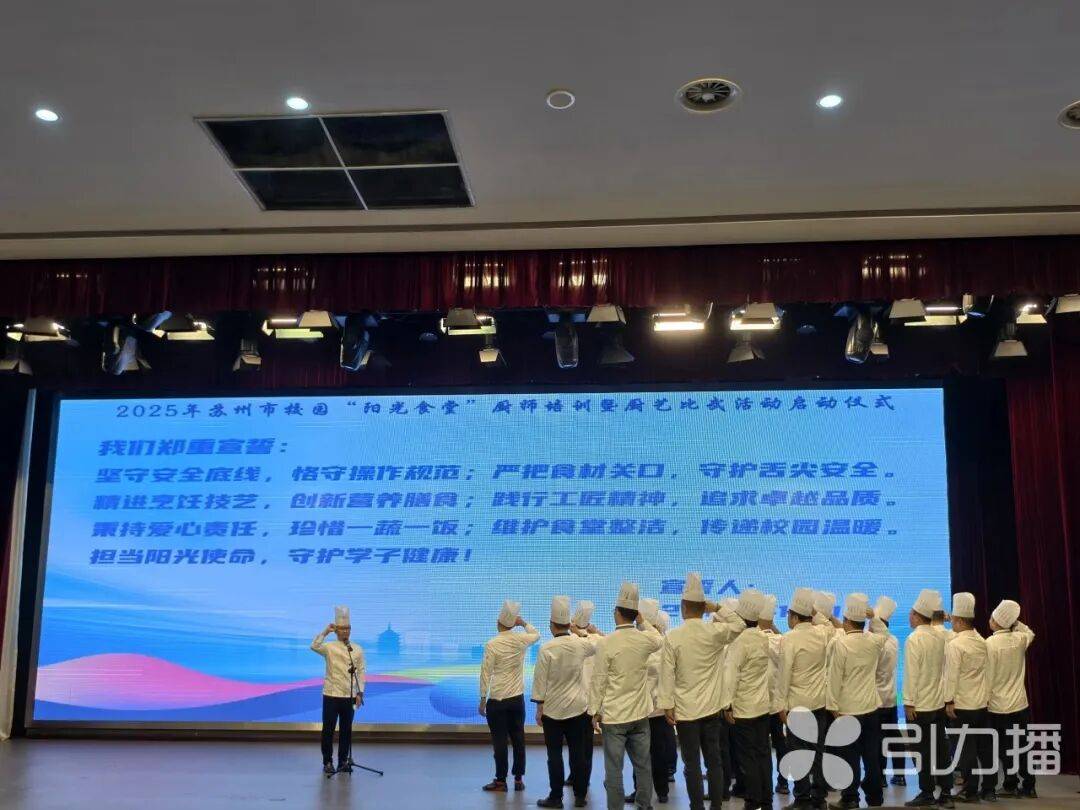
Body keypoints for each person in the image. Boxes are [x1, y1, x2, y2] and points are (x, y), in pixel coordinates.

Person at [659, 573, 746, 810]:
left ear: (683, 607)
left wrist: (667, 704)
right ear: (703, 607)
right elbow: (740, 624)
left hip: (686, 711)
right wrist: (717, 607)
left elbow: (667, 674)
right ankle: (716, 807)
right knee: (714, 762)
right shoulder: (714, 632)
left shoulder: (673, 636)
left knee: (692, 765)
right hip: (711, 709)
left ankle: (697, 807)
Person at [589, 582, 664, 810]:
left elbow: (599, 679)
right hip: (640, 714)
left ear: (616, 613)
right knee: (643, 766)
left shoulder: (606, 642)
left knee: (614, 770)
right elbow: (658, 638)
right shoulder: (644, 639)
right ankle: (644, 805)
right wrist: (643, 622)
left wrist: (594, 711)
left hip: (614, 716)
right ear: (635, 614)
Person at [533, 596, 599, 809]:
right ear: (568, 624)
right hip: (578, 709)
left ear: (551, 625)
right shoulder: (580, 644)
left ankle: (556, 797)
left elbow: (540, 681)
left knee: (554, 756)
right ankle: (580, 796)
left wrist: (539, 708)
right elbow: (599, 643)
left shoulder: (546, 648)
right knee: (578, 754)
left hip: (552, 711)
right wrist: (582, 632)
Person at [825, 593, 886, 810]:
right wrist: (874, 617)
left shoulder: (841, 644)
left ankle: (850, 798)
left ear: (846, 620)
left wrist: (832, 706)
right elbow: (884, 633)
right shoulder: (873, 641)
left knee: (849, 757)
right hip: (871, 707)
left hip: (848, 709)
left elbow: (835, 678)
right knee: (871, 756)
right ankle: (876, 797)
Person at [776, 587, 831, 810]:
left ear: (794, 616)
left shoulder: (789, 638)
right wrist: (815, 612)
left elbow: (784, 675)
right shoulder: (822, 633)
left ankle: (802, 798)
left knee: (799, 754)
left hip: (797, 704)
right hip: (818, 702)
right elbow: (829, 625)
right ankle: (819, 798)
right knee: (818, 752)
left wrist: (780, 705)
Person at [720, 589, 774, 810]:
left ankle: (753, 801)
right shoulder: (763, 638)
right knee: (763, 755)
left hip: (743, 708)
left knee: (748, 757)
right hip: (762, 706)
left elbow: (731, 675)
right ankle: (766, 800)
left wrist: (727, 705)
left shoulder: (739, 641)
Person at [480, 599, 540, 793]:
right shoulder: (520, 640)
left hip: (497, 699)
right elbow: (536, 634)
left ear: (498, 622)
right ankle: (518, 779)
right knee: (518, 738)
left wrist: (482, 698)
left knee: (500, 741)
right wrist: (523, 623)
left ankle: (500, 781)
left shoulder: (492, 644)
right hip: (517, 699)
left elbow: (486, 672)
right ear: (513, 624)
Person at [903, 589, 953, 808]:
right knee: (941, 749)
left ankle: (927, 793)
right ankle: (947, 792)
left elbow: (911, 674)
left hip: (920, 705)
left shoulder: (914, 639)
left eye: (911, 613)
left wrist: (908, 702)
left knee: (921, 752)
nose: (909, 616)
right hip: (938, 703)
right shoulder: (942, 636)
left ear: (917, 616)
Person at [626, 600, 677, 805]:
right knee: (657, 753)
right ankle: (661, 792)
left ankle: (642, 791)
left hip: (643, 708)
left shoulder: (643, 641)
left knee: (641, 754)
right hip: (657, 708)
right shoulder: (663, 641)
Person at [985, 599, 1036, 799]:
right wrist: (1015, 622)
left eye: (992, 617)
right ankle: (1029, 785)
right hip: (1020, 703)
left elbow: (988, 677)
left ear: (997, 621)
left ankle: (1010, 783)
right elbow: (1030, 632)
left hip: (998, 705)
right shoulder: (1019, 638)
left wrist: (984, 699)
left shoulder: (989, 643)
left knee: (1004, 748)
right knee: (1022, 745)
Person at [943, 592, 992, 803]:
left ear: (960, 620)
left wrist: (948, 701)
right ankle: (989, 789)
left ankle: (970, 790)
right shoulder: (981, 641)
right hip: (980, 703)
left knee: (966, 749)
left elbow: (951, 675)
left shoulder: (955, 645)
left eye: (953, 619)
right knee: (984, 747)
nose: (951, 622)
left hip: (962, 704)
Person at [311, 605, 365, 775]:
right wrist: (325, 631)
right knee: (328, 730)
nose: (345, 632)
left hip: (349, 696)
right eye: (342, 629)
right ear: (336, 630)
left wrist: (360, 692)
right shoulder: (329, 647)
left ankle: (343, 761)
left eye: (348, 628)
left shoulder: (356, 649)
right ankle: (327, 762)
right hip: (331, 695)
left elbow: (361, 671)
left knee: (346, 731)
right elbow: (314, 646)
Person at [869, 596, 906, 788]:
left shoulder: (874, 643)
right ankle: (900, 775)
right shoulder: (894, 640)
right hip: (890, 696)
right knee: (894, 736)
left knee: (877, 739)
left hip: (875, 699)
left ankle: (880, 777)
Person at [566, 600, 601, 794]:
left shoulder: (571, 640)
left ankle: (576, 776)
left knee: (575, 743)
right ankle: (582, 777)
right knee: (586, 743)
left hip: (575, 698)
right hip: (590, 698)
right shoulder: (596, 639)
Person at [760, 594, 791, 797]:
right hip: (779, 703)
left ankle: (765, 786)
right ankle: (783, 782)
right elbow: (781, 639)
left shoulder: (755, 639)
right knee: (781, 744)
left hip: (761, 704)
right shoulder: (782, 641)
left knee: (762, 747)